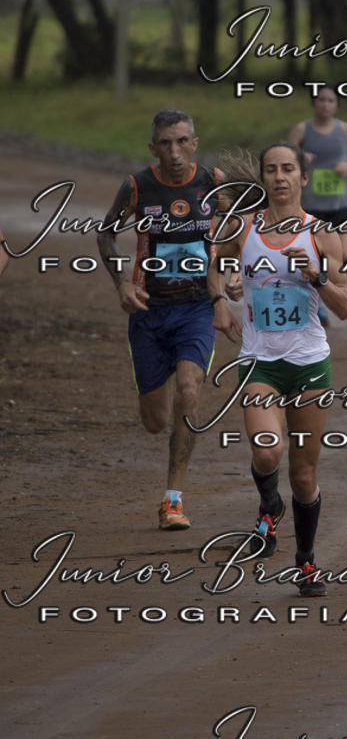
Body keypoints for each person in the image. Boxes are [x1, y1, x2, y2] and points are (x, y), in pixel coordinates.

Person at [207, 142, 347, 596]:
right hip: (260, 362)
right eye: (271, 169)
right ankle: (269, 505)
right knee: (268, 453)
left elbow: (344, 307)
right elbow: (214, 264)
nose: (279, 176)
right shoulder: (243, 229)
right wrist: (222, 297)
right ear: (264, 179)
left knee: (304, 476)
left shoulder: (321, 235)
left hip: (309, 363)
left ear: (303, 179)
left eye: (289, 169)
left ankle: (306, 561)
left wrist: (317, 276)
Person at [98, 108, 229, 530]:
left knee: (189, 391)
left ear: (195, 143)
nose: (174, 151)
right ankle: (171, 422)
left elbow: (234, 231)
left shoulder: (214, 183)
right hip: (149, 311)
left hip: (195, 308)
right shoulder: (137, 186)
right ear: (152, 147)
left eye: (182, 141)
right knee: (156, 422)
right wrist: (121, 282)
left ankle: (173, 500)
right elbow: (105, 232)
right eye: (165, 143)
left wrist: (229, 280)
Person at [288, 84, 347, 325]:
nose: (325, 104)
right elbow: (284, 160)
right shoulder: (301, 130)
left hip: (342, 203)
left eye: (331, 100)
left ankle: (334, 297)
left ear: (337, 104)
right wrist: (300, 159)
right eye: (321, 100)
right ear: (313, 103)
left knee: (346, 257)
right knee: (316, 259)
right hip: (312, 206)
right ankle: (318, 305)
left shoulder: (346, 129)